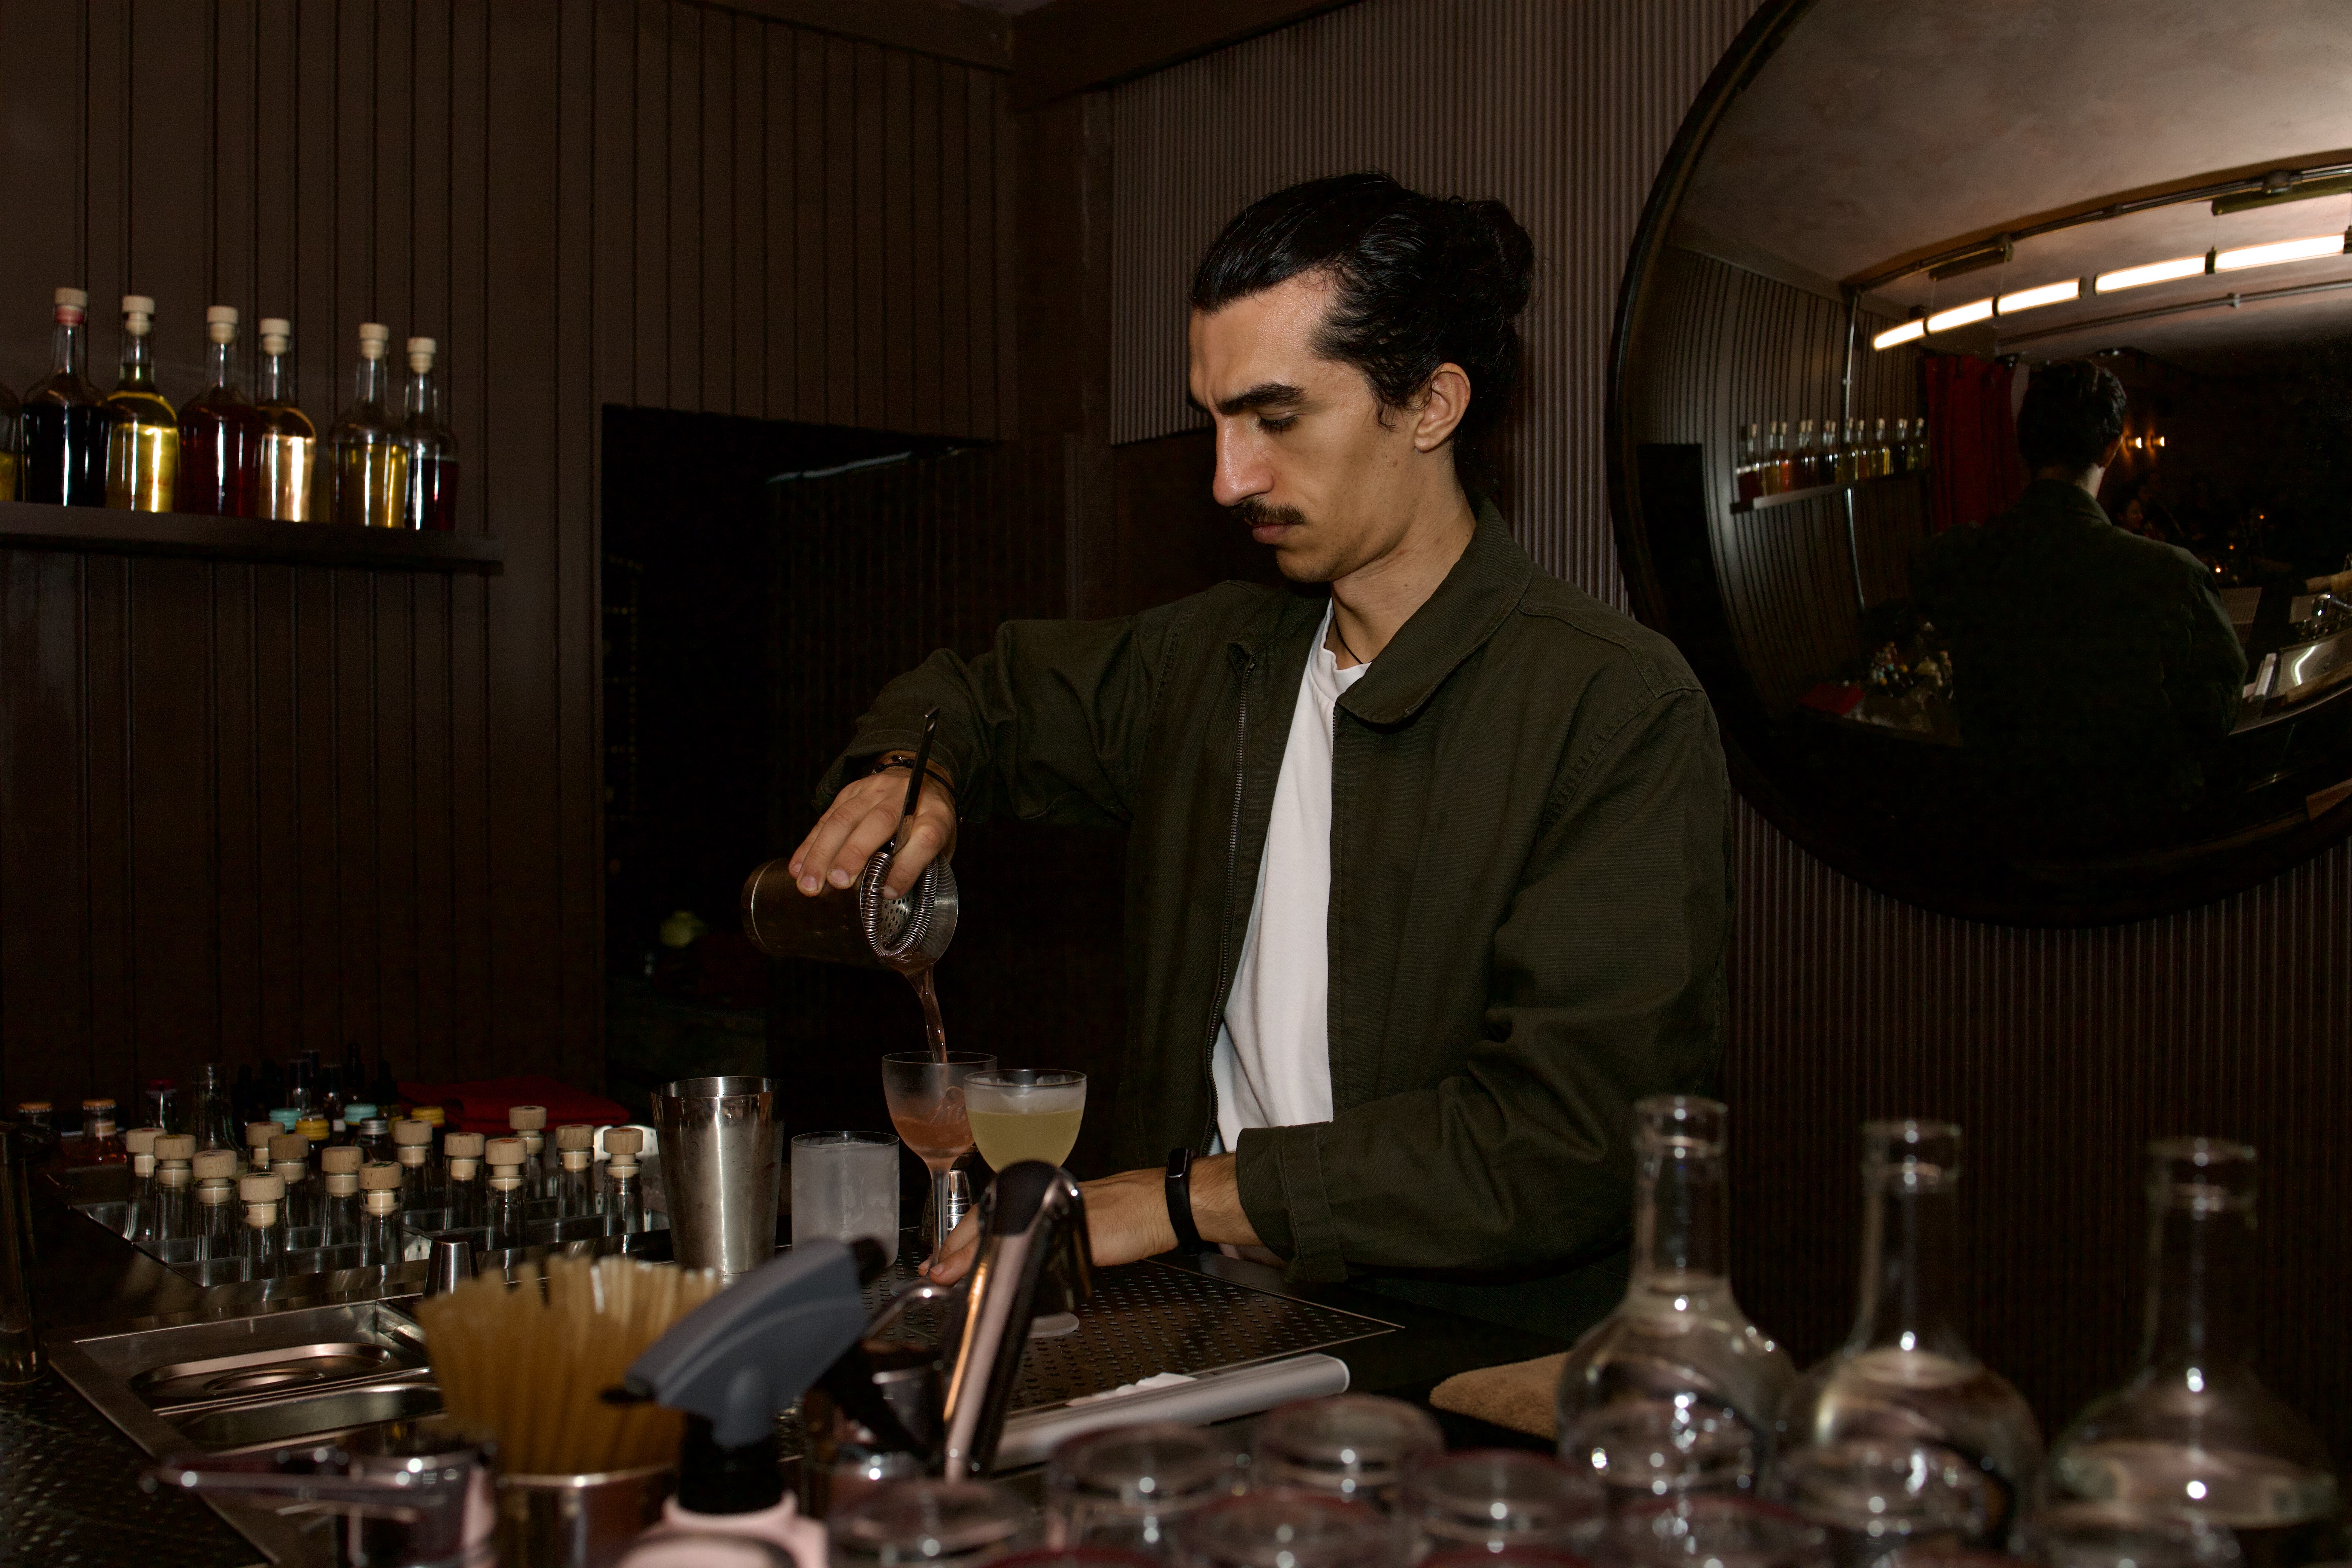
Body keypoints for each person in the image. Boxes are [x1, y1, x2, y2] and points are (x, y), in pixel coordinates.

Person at [787, 173, 1731, 1338]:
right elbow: (981, 693)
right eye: (1217, 420)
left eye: (1277, 420)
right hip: (1202, 1329)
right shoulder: (1215, 658)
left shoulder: (1611, 707)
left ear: (1430, 405)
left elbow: (1565, 1142)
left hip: (1455, 1372)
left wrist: (1182, 1202)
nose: (1229, 479)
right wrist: (908, 769)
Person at [1911, 360, 2245, 850]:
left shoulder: (1953, 558)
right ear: (2111, 449)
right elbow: (2213, 715)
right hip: (2139, 835)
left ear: (2025, 447)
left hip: (2009, 832)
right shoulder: (2174, 575)